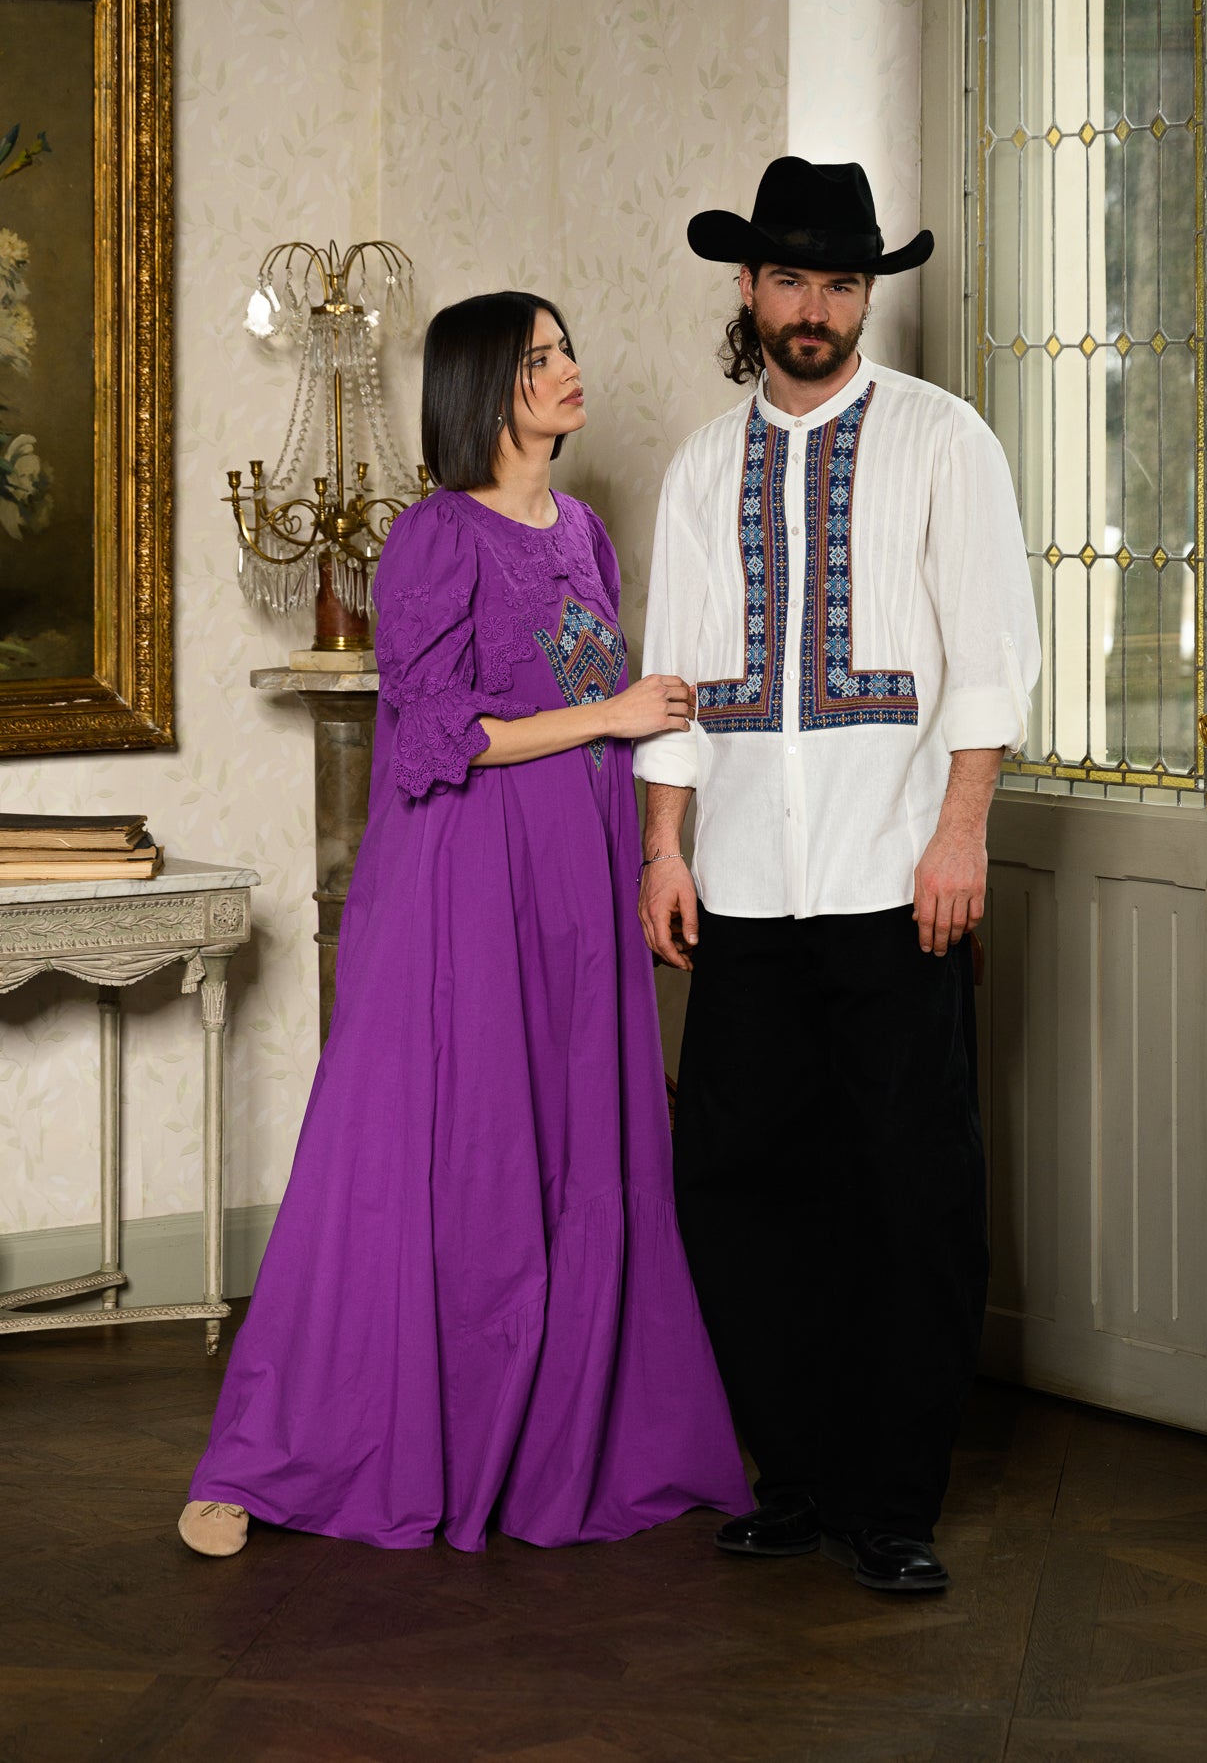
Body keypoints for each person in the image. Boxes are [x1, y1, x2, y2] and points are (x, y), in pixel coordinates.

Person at [179, 289, 750, 1558]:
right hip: (467, 883)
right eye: (540, 357)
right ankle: (270, 1457)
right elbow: (435, 734)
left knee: (570, 1142)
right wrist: (611, 718)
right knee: (439, 1150)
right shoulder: (435, 535)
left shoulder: (584, 533)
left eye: (566, 348)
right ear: (486, 386)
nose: (568, 368)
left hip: (575, 886)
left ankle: (552, 1434)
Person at [634, 158, 1041, 1594]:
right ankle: (794, 1479)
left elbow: (990, 658)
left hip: (893, 878)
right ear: (748, 290)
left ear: (866, 297)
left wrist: (960, 831)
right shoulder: (702, 466)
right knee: (741, 1187)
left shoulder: (942, 439)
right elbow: (676, 680)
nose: (815, 307)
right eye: (791, 279)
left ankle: (893, 1502)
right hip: (743, 887)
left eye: (841, 283)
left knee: (909, 1192)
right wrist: (666, 847)